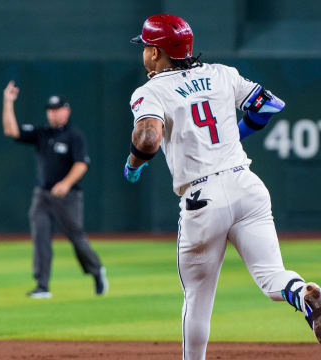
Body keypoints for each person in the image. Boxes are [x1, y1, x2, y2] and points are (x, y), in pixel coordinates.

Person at [124, 14, 321, 360]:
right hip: (246, 185)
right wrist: (238, 134)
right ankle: (301, 293)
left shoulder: (151, 90)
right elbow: (267, 104)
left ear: (156, 53)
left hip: (202, 199)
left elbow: (149, 138)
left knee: (197, 299)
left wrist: (134, 162)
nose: (144, 54)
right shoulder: (222, 74)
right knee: (273, 276)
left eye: (146, 48)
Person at [2, 81, 108, 299]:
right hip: (42, 195)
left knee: (76, 239)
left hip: (68, 197)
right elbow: (11, 130)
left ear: (66, 111)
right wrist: (8, 102)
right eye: (50, 110)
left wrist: (66, 183)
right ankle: (42, 285)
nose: (53, 113)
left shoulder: (74, 135)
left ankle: (96, 271)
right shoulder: (42, 133)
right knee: (40, 237)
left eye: (57, 109)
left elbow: (82, 164)